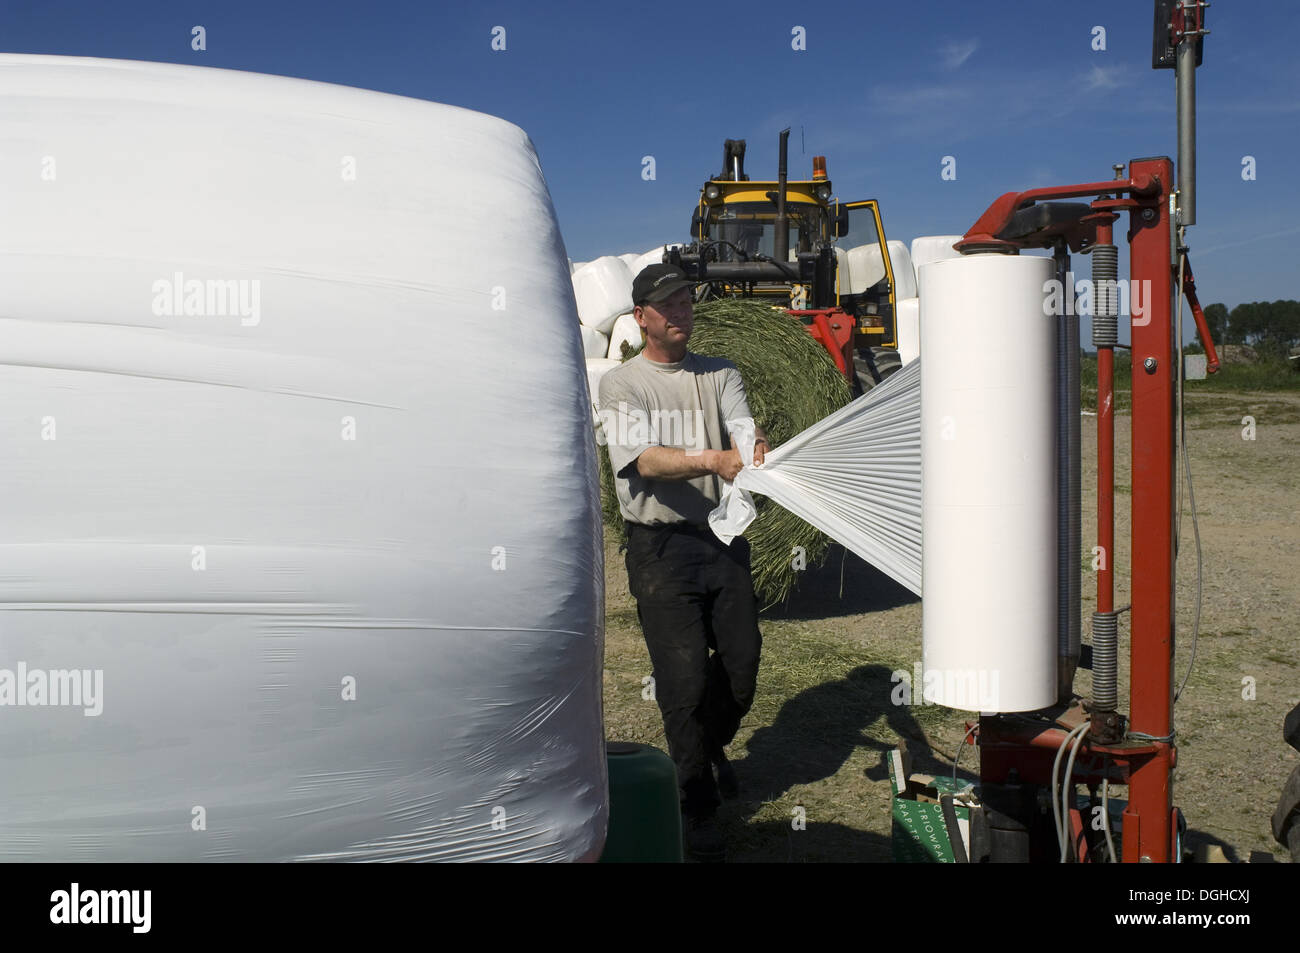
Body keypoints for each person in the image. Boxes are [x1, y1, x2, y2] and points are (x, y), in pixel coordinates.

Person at [598, 263, 769, 862]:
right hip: (659, 549)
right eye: (667, 304)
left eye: (687, 300)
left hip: (720, 540)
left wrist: (752, 449)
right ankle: (695, 803)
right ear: (641, 317)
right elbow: (644, 460)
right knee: (683, 679)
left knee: (743, 665)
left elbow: (743, 430)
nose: (681, 311)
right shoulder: (622, 386)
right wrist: (717, 460)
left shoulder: (720, 373)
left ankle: (706, 744)